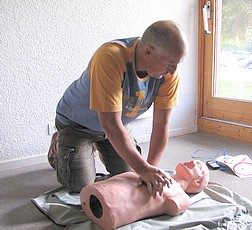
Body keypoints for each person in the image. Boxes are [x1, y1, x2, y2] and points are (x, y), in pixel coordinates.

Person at [48, 20, 189, 196]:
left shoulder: (168, 75)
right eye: (170, 64)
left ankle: (94, 146)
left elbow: (162, 126)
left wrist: (149, 170)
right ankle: (59, 146)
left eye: (177, 64)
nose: (173, 71)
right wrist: (143, 169)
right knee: (81, 188)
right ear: (148, 52)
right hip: (76, 125)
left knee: (131, 177)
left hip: (114, 127)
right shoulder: (110, 57)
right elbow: (109, 124)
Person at [80, 160, 210, 230]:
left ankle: (104, 204)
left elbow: (175, 207)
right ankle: (99, 194)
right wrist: (144, 169)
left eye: (197, 166)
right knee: (128, 178)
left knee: (134, 197)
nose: (190, 162)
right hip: (118, 186)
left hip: (126, 204)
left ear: (198, 182)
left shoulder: (180, 194)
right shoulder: (163, 173)